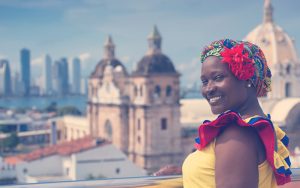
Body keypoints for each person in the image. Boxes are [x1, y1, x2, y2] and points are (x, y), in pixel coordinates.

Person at [182, 39, 292, 188]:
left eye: (218, 77)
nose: (208, 89)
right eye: (204, 81)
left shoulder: (237, 134)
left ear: (246, 78)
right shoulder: (258, 127)